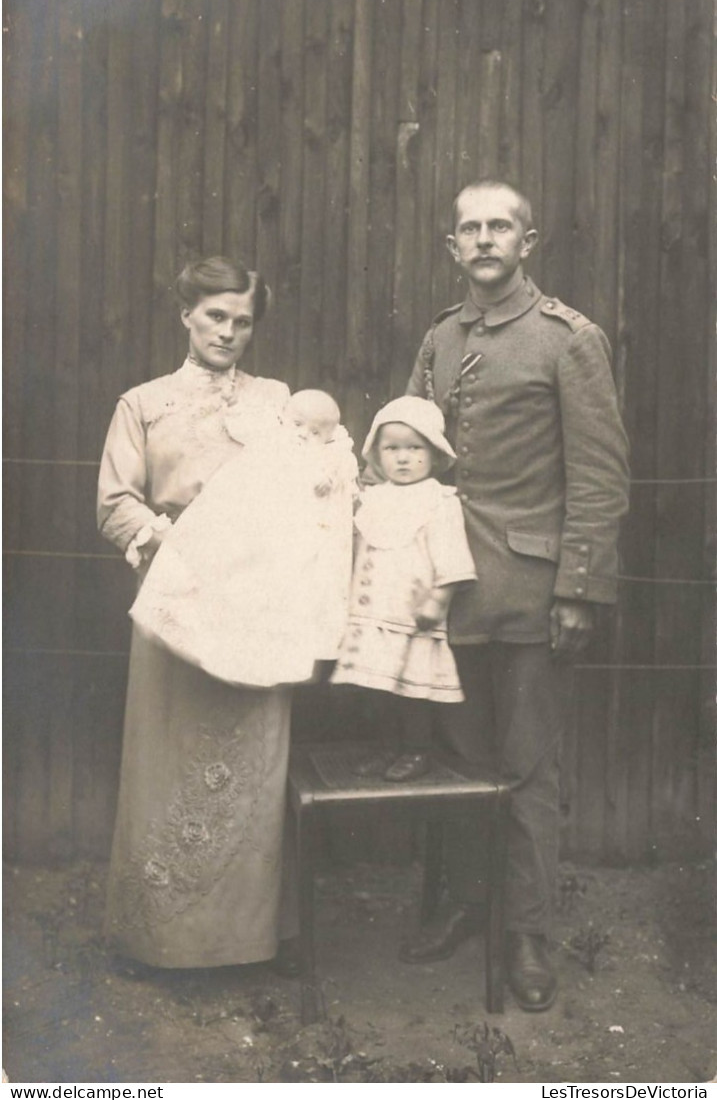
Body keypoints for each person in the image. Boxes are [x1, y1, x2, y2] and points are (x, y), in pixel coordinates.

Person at [400, 180, 630, 1010]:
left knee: (527, 768)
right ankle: (466, 903)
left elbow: (600, 478)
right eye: (471, 228)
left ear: (527, 243)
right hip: (447, 592)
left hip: (531, 593)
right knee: (456, 764)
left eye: (501, 226)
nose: (485, 239)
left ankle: (526, 932)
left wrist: (578, 590)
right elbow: (410, 449)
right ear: (451, 245)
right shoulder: (439, 338)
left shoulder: (566, 340)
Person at [97, 255, 302, 973]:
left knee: (253, 765)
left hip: (258, 603)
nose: (229, 331)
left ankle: (245, 946)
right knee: (168, 759)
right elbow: (115, 500)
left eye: (243, 321)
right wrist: (159, 535)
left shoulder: (278, 401)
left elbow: (310, 480)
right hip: (177, 595)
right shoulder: (143, 403)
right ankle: (163, 942)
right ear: (185, 314)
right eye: (216, 315)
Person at [129, 388, 358, 687]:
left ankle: (249, 660)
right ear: (284, 420)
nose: (303, 435)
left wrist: (327, 477)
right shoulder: (272, 439)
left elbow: (332, 480)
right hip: (250, 524)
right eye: (297, 424)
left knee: (267, 599)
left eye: (315, 432)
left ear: (329, 437)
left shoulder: (329, 456)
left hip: (287, 538)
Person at [331, 396, 477, 781]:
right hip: (371, 611)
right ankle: (385, 747)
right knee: (375, 688)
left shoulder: (439, 501)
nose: (403, 458)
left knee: (411, 690)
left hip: (412, 615)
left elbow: (452, 556)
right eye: (392, 449)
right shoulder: (371, 499)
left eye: (415, 448)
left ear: (433, 453)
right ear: (377, 454)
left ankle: (416, 750)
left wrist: (438, 599)